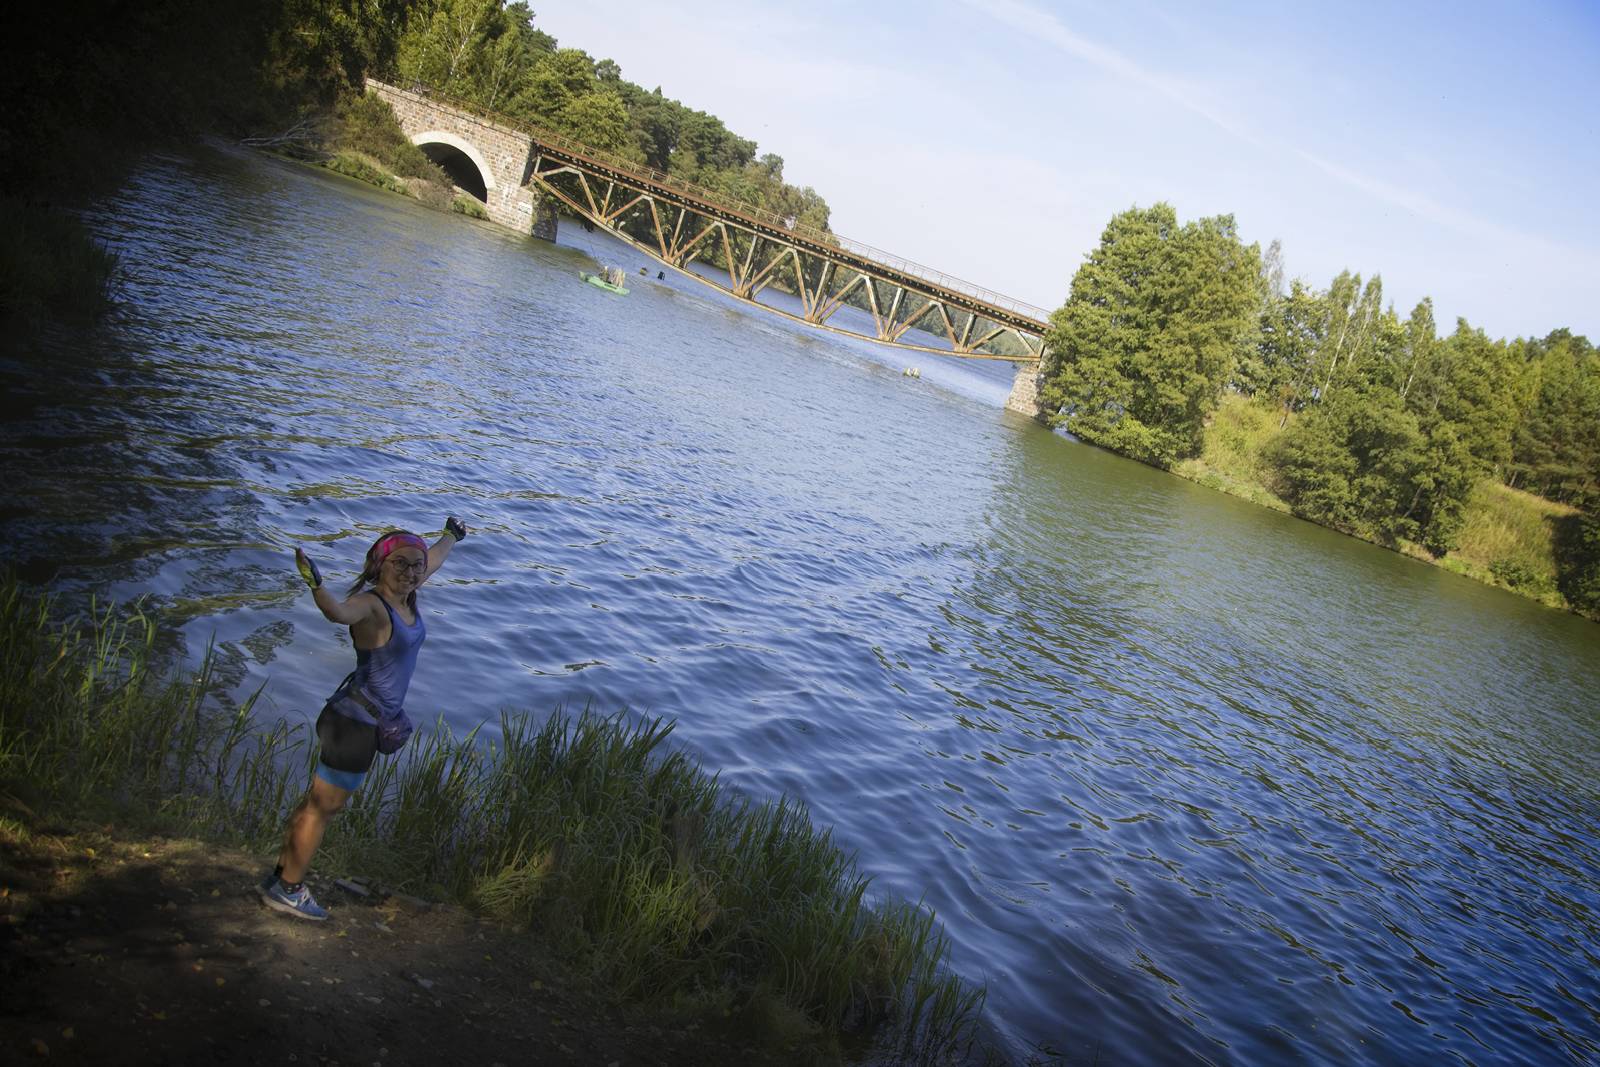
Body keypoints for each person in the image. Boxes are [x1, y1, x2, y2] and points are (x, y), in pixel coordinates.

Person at [256, 517, 470, 920]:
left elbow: (435, 558)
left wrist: (451, 536)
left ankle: (280, 878)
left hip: (356, 720)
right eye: (400, 565)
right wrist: (316, 585)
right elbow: (338, 613)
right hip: (353, 725)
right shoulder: (374, 605)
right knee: (322, 809)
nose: (411, 572)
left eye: (415, 565)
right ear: (379, 567)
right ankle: (288, 889)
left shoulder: (407, 593)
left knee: (315, 804)